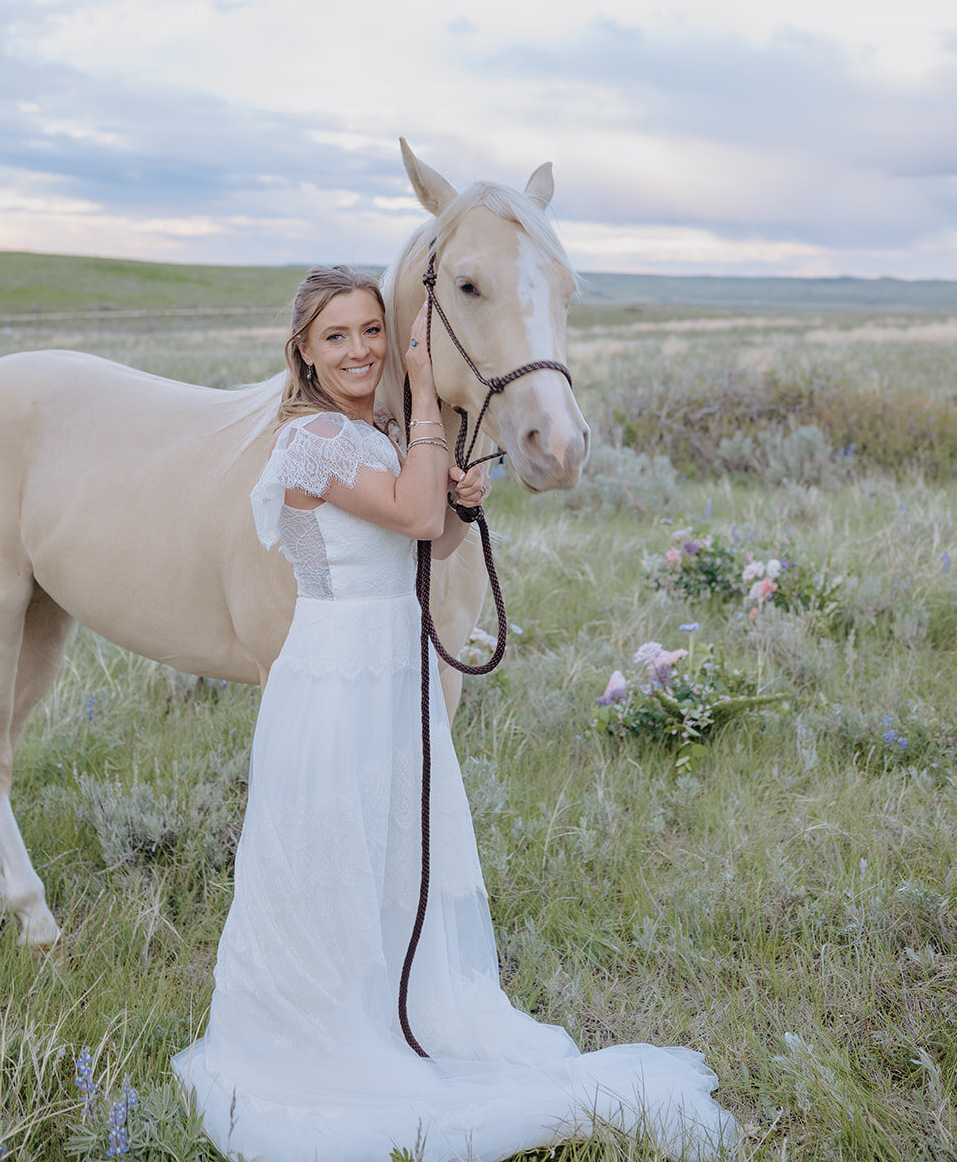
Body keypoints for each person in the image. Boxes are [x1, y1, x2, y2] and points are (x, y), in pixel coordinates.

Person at [173, 265, 740, 1162]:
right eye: (337, 337)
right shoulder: (316, 439)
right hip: (334, 680)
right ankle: (324, 1023)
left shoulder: (371, 433)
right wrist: (430, 409)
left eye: (370, 331)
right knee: (326, 846)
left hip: (389, 670)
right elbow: (406, 505)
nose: (358, 350)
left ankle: (400, 999)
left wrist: (457, 503)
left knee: (397, 841)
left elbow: (425, 530)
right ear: (304, 354)